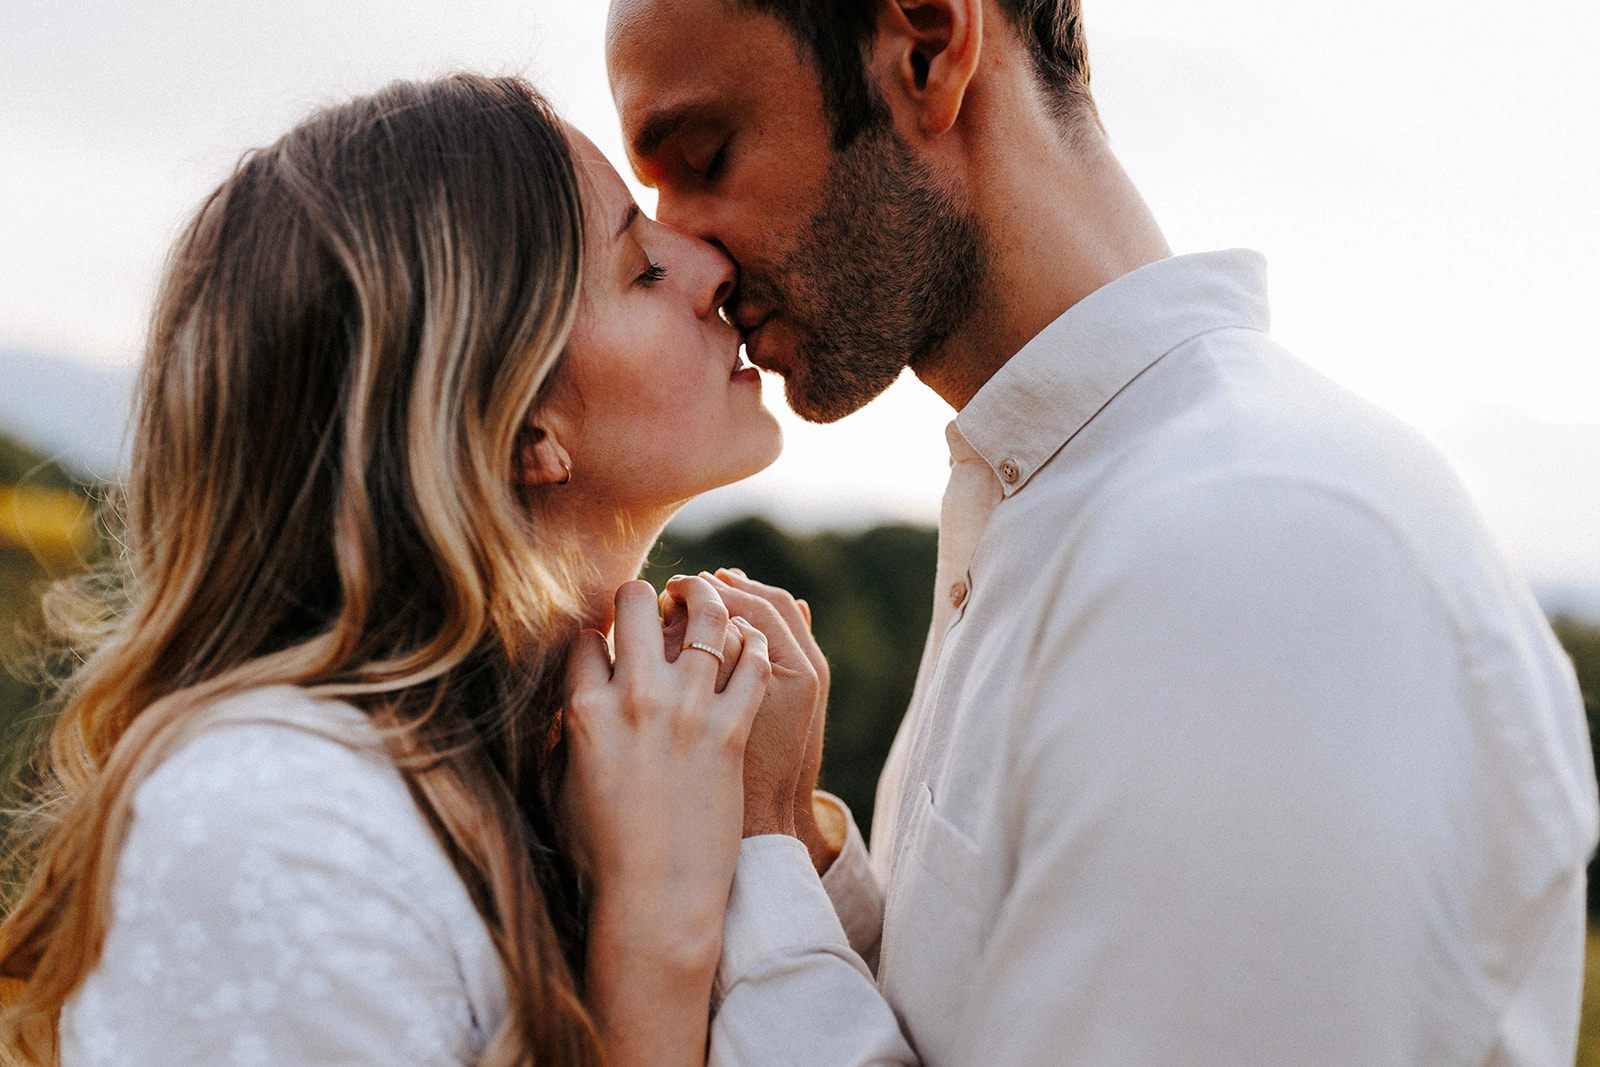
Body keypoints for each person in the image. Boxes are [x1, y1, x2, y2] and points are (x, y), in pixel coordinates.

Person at [606, 1, 1600, 1063]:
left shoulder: (1251, 553)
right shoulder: (1060, 506)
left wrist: (758, 852)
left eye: (704, 157)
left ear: (927, 49)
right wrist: (799, 853)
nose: (683, 247)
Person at [0, 73, 825, 1067]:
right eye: (638, 267)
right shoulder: (278, 826)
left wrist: (783, 834)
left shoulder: (589, 776)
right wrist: (655, 947)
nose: (708, 262)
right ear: (518, 419)